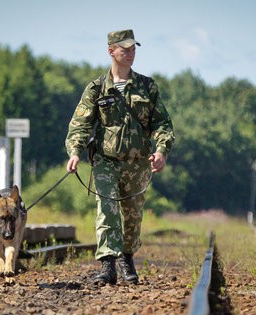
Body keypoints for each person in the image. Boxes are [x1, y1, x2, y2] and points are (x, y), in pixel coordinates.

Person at [65, 29, 175, 285]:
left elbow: (163, 124)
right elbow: (80, 124)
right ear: (111, 51)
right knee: (107, 209)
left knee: (132, 214)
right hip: (106, 161)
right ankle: (107, 264)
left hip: (138, 164)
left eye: (133, 48)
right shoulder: (96, 88)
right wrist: (75, 152)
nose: (130, 53)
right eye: (124, 49)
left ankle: (127, 257)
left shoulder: (147, 87)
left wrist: (161, 151)